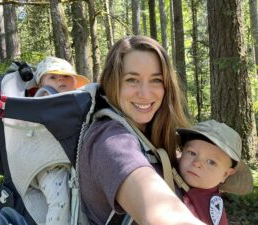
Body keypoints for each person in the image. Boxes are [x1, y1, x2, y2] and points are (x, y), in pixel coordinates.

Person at [79, 35, 206, 225]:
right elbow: (162, 213)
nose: (145, 94)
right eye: (132, 80)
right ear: (112, 82)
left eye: (156, 80)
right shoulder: (110, 140)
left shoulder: (148, 138)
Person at [26, 56, 90, 225]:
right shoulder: (44, 97)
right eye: (52, 77)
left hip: (69, 160)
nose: (60, 79)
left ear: (75, 81)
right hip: (48, 165)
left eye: (66, 76)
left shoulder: (78, 99)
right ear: (41, 84)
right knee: (59, 201)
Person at [176, 120, 253, 225]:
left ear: (225, 174)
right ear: (181, 152)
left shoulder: (210, 207)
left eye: (211, 162)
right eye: (192, 153)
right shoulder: (163, 172)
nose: (197, 163)